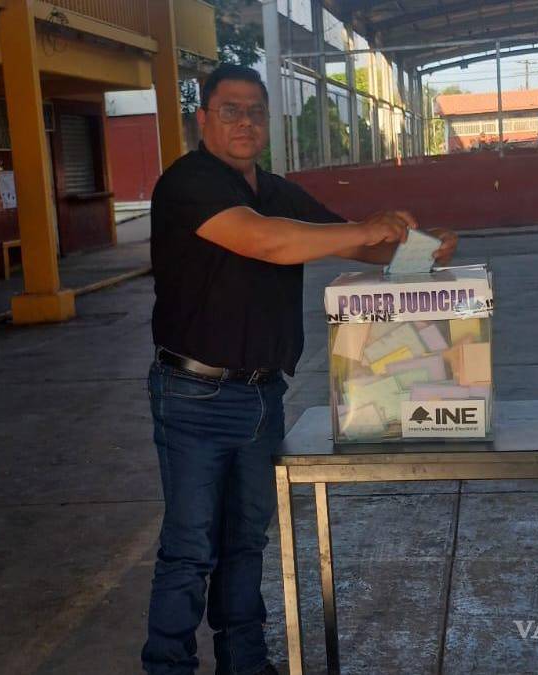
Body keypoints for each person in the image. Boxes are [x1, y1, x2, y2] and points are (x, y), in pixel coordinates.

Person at [143, 63, 459, 675]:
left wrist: (419, 246)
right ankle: (168, 667)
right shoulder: (187, 183)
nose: (244, 122)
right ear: (202, 119)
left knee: (245, 542)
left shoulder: (275, 190)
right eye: (230, 110)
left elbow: (348, 241)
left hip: (262, 396)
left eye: (255, 112)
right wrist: (367, 229)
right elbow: (269, 241)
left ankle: (245, 663)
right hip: (193, 396)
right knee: (189, 549)